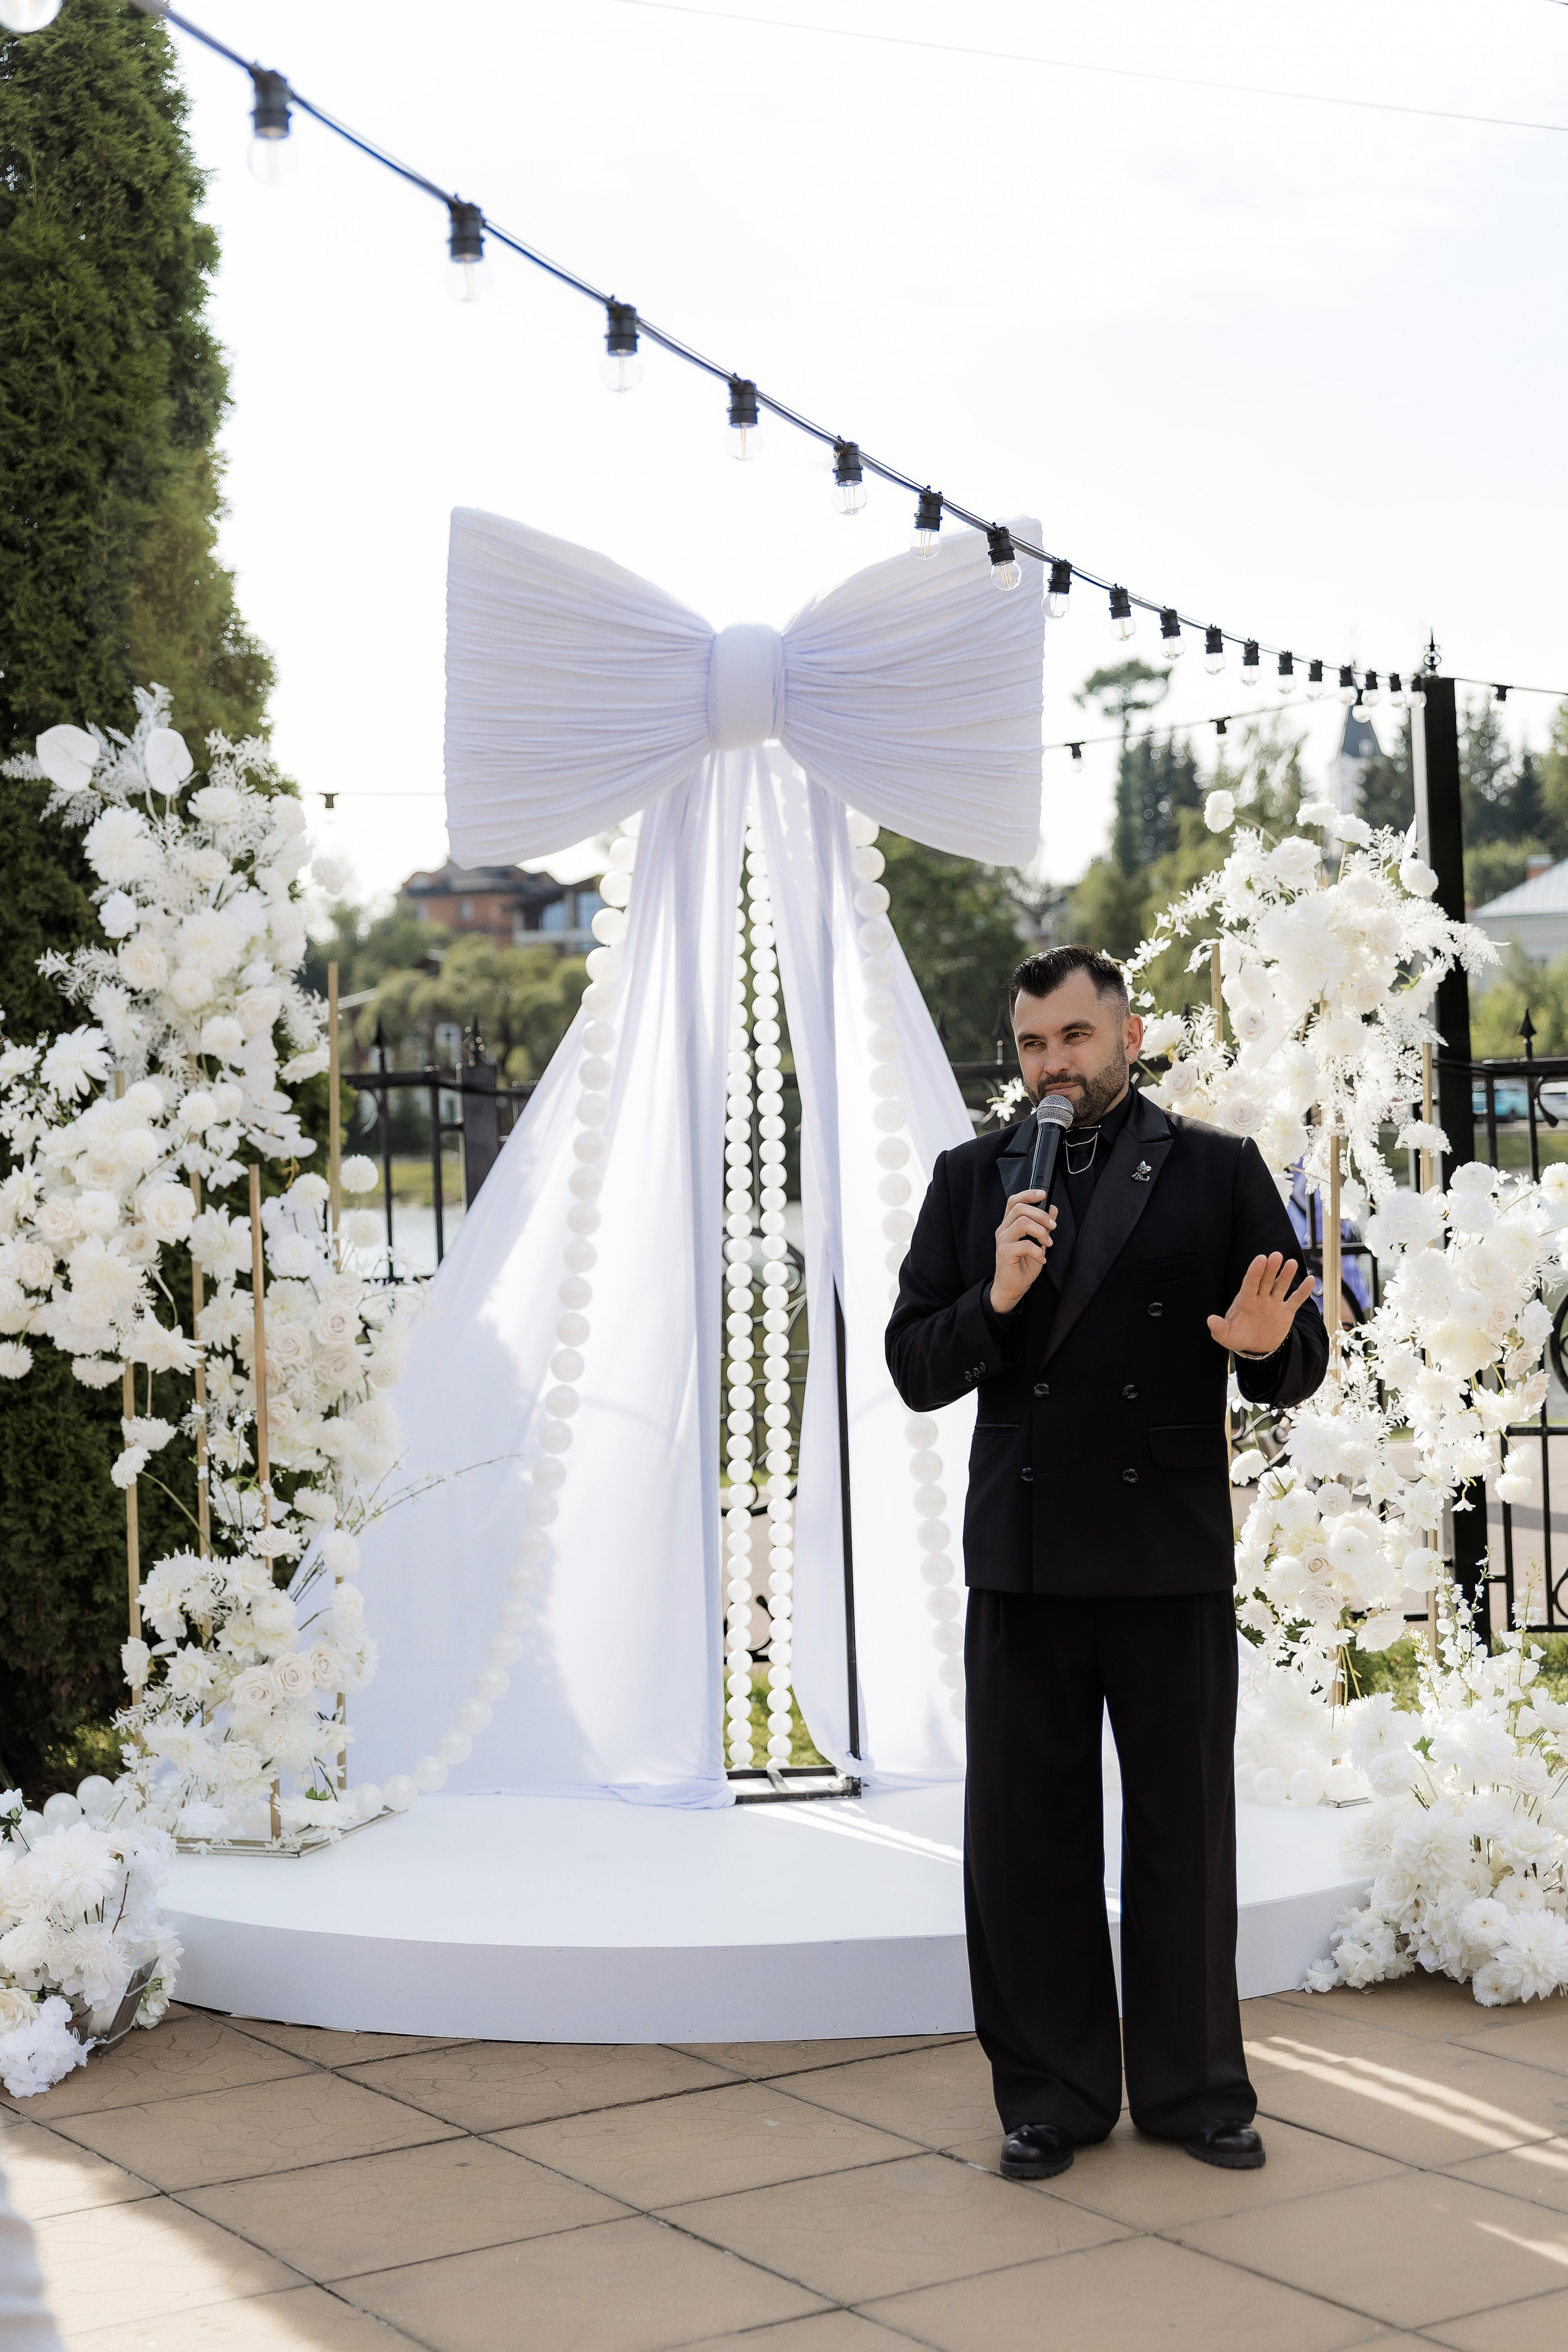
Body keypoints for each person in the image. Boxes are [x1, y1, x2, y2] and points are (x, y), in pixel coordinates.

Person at [886, 945, 1327, 2182]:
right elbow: (914, 1364)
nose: (1052, 1065)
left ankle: (1195, 2093)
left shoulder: (1213, 1169)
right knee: (1027, 1841)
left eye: (1075, 1038)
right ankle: (1048, 2095)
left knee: (1182, 1834)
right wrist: (998, 1296)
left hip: (1163, 1547)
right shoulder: (972, 1183)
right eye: (1032, 1044)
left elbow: (1291, 1359)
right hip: (1022, 1556)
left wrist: (1256, 1348)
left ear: (1128, 1039)